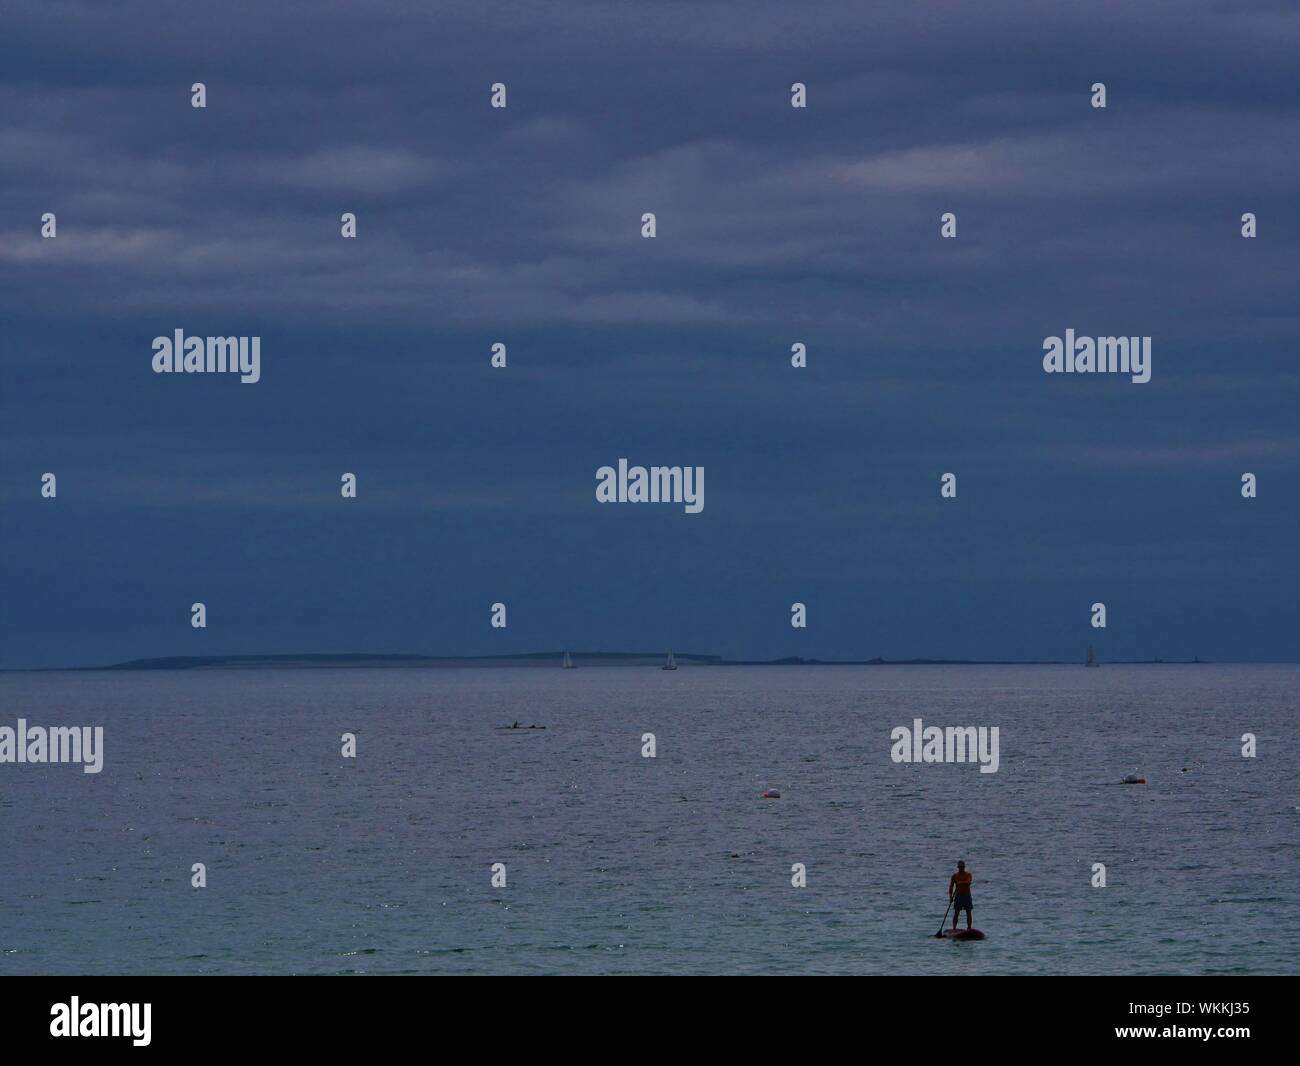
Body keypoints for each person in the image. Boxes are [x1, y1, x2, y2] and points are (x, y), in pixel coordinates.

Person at [948, 861, 974, 930]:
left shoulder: (968, 874)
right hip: (958, 896)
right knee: (956, 912)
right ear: (958, 867)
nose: (961, 868)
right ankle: (954, 928)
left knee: (968, 911)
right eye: (960, 867)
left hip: (967, 896)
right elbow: (951, 886)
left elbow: (968, 882)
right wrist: (950, 897)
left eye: (962, 867)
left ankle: (969, 928)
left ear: (964, 867)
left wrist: (961, 882)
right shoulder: (954, 876)